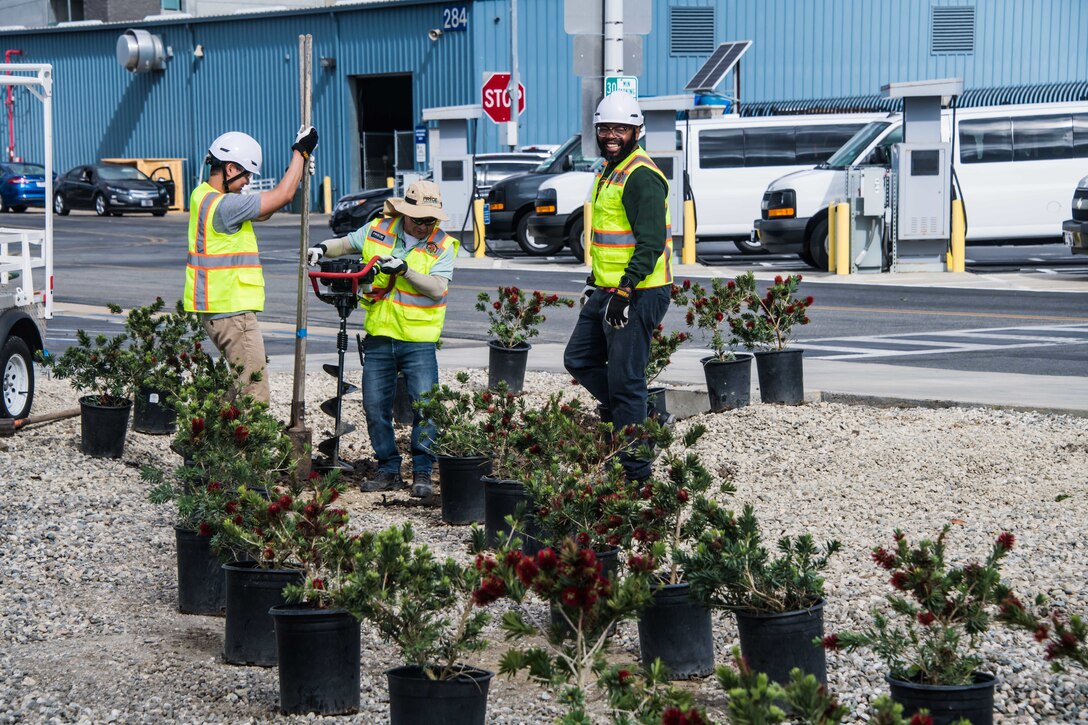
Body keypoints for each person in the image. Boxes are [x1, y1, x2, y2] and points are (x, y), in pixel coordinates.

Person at [307, 180, 458, 497]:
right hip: (378, 337)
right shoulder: (379, 229)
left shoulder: (443, 245)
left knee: (426, 409)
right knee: (375, 408)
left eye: (431, 220)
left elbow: (437, 288)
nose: (425, 226)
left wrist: (404, 270)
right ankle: (388, 469)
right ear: (406, 213)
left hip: (418, 341)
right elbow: (346, 244)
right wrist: (321, 248)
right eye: (420, 220)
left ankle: (422, 472)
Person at [563, 91, 672, 483]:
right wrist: (597, 284)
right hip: (608, 290)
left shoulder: (641, 175)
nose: (611, 134)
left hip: (638, 292)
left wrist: (625, 291)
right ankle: (644, 417)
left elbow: (650, 243)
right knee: (578, 358)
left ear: (636, 131)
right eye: (605, 128)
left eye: (620, 128)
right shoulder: (610, 169)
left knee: (626, 382)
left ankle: (637, 473)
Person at [183, 126, 319, 404]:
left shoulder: (203, 196)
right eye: (246, 174)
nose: (247, 182)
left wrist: (295, 174)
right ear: (230, 168)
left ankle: (199, 439)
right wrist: (300, 152)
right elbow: (282, 196)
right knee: (254, 396)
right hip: (232, 313)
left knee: (237, 388)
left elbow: (266, 210)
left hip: (220, 311)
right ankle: (240, 448)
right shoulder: (226, 206)